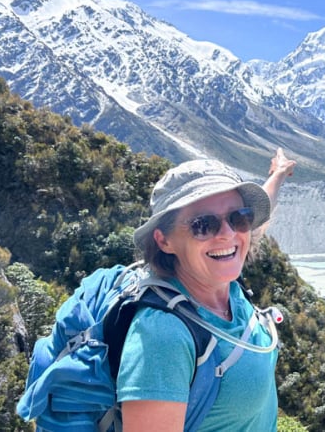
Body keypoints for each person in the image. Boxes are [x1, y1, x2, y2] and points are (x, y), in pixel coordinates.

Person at [119, 147, 296, 431]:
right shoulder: (162, 337)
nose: (228, 233)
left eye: (239, 217)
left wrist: (278, 173)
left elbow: (246, 232)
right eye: (203, 225)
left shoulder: (220, 281)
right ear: (164, 241)